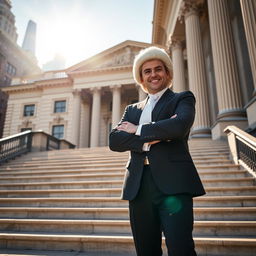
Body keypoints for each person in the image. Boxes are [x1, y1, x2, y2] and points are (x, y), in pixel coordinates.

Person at [109, 46, 205, 256]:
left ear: (167, 73)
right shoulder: (132, 110)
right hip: (138, 185)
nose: (153, 74)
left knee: (181, 249)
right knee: (146, 251)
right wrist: (154, 135)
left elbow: (178, 127)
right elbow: (114, 141)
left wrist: (137, 130)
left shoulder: (182, 99)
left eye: (158, 69)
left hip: (174, 185)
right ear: (141, 78)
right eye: (147, 71)